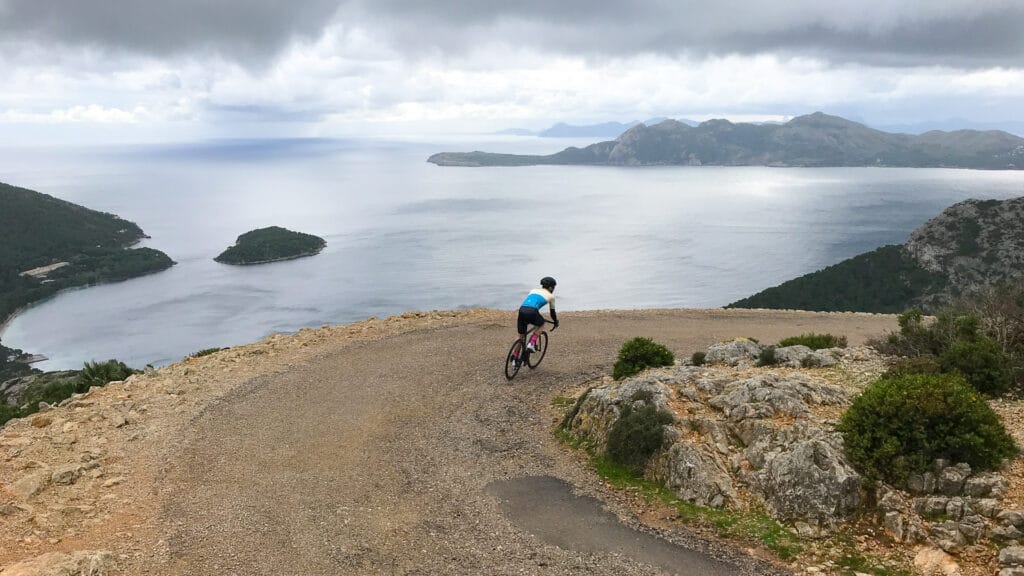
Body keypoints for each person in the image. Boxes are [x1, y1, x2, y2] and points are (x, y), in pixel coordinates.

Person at [514, 276, 559, 366]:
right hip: (532, 311)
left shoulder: (533, 290)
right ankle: (531, 343)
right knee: (541, 324)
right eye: (553, 287)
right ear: (550, 287)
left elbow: (532, 301)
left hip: (522, 310)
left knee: (520, 336)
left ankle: (514, 358)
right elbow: (552, 313)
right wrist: (555, 321)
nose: (553, 289)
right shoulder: (551, 296)